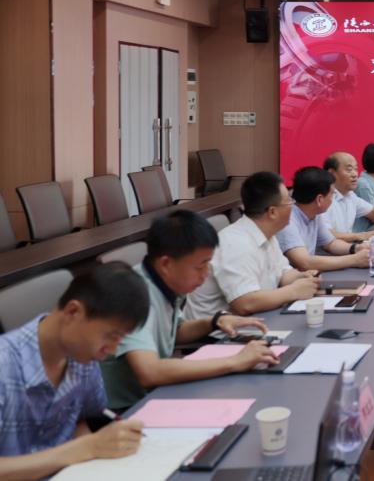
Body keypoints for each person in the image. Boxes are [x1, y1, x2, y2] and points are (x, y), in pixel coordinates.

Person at [100, 211, 279, 412]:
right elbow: (149, 372)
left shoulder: (164, 283)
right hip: (124, 411)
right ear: (166, 264)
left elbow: (175, 333)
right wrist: (235, 361)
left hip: (154, 397)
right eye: (200, 267)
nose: (206, 274)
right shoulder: (134, 294)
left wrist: (215, 321)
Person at [0, 262, 150, 479]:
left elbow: (82, 419)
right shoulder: (5, 364)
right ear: (73, 312)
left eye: (120, 339)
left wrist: (96, 452)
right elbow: (84, 446)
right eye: (111, 336)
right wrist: (87, 448)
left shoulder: (83, 360)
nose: (112, 350)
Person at [185, 172, 322, 318]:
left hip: (252, 321)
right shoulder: (236, 243)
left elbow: (282, 273)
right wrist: (294, 291)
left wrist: (301, 277)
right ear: (272, 212)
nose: (292, 205)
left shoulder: (267, 234)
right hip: (216, 330)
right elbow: (245, 303)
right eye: (289, 201)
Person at [277, 166, 371, 271]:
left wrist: (356, 248)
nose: (332, 199)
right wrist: (354, 260)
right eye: (332, 194)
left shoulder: (314, 214)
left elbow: (330, 244)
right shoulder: (287, 221)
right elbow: (304, 262)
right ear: (319, 200)